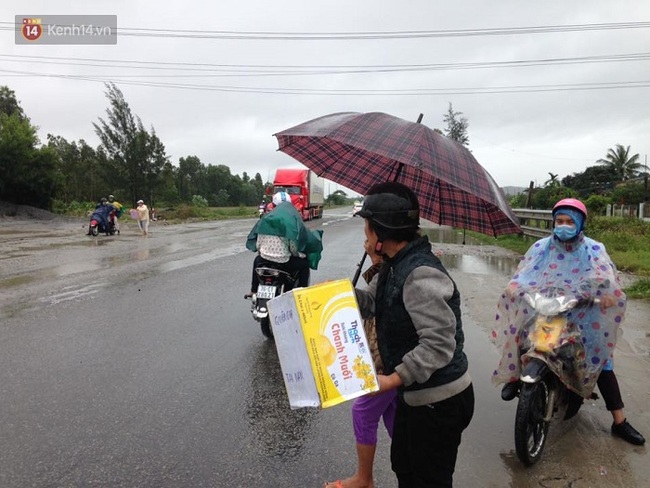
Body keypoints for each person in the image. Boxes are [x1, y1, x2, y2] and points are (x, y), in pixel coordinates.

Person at [493, 198, 645, 446]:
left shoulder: (594, 249)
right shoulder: (541, 247)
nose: (563, 226)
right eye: (559, 221)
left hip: (583, 313)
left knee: (601, 363)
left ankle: (619, 421)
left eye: (569, 221)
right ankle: (514, 377)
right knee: (522, 334)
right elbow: (525, 272)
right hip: (548, 308)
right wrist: (514, 286)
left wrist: (606, 295)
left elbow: (607, 277)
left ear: (580, 223)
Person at [352, 182, 474, 488]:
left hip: (439, 400)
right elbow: (372, 305)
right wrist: (340, 296)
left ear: (381, 230)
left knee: (427, 478)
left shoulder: (420, 273)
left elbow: (438, 344)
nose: (364, 234)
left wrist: (392, 379)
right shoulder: (394, 266)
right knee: (405, 466)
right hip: (415, 395)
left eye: (367, 226)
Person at [325, 240, 398, 488]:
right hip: (382, 359)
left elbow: (371, 307)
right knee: (393, 417)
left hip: (386, 362)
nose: (364, 243)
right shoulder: (386, 269)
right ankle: (410, 470)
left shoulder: (394, 271)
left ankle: (364, 479)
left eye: (368, 237)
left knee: (363, 411)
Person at [245, 191, 323, 297]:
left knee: (256, 261)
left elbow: (258, 245)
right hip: (283, 261)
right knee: (304, 265)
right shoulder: (289, 222)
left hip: (264, 259)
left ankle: (254, 290)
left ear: (273, 205)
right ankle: (302, 294)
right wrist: (300, 255)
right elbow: (293, 249)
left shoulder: (265, 220)